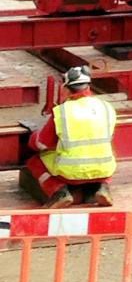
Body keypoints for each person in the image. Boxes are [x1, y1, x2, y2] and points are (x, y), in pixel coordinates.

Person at [20, 66, 117, 208]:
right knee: (107, 156)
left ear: (66, 88)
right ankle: (104, 188)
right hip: (104, 170)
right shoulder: (106, 107)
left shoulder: (62, 112)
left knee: (34, 162)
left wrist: (33, 138)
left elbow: (42, 144)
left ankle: (59, 192)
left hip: (70, 172)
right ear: (88, 87)